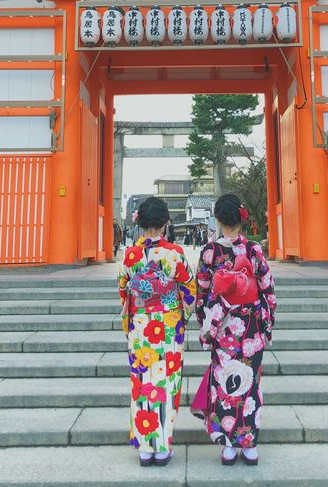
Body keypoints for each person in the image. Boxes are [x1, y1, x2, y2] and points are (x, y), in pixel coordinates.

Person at [193, 193, 276, 466]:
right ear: (241, 218)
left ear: (217, 219)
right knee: (250, 383)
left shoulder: (210, 252)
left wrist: (205, 325)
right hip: (251, 325)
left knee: (224, 383)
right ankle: (249, 443)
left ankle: (228, 444)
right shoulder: (253, 250)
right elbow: (267, 288)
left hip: (224, 327)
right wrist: (268, 322)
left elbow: (202, 292)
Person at [118, 196, 196, 467]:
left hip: (141, 326)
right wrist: (183, 315)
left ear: (138, 221)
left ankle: (144, 447)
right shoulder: (174, 253)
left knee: (141, 384)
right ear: (166, 223)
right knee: (166, 383)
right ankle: (162, 447)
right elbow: (189, 288)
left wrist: (133, 315)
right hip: (168, 325)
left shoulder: (131, 255)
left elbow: (123, 288)